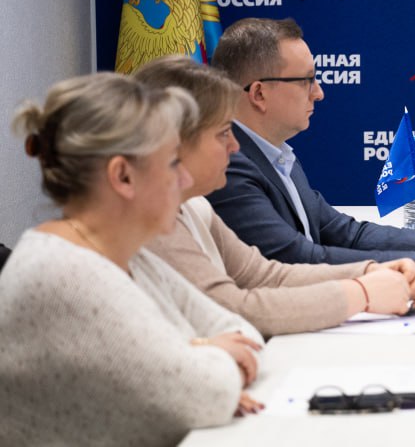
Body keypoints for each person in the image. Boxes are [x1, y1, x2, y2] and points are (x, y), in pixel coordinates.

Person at [0, 73, 263, 446]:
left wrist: (197, 353)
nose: (185, 179)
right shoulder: (65, 274)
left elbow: (241, 332)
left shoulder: (126, 255)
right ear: (123, 176)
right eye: (173, 162)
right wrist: (204, 353)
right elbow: (208, 393)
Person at [137, 55, 415, 337]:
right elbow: (233, 307)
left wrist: (370, 270)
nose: (235, 146)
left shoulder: (195, 205)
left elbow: (264, 274)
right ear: (175, 142)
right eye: (223, 133)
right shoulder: (150, 223)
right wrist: (362, 293)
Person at [206, 18, 415, 277]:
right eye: (306, 81)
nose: (319, 93)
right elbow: (298, 259)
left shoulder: (277, 154)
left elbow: (343, 232)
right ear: (259, 93)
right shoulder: (228, 165)